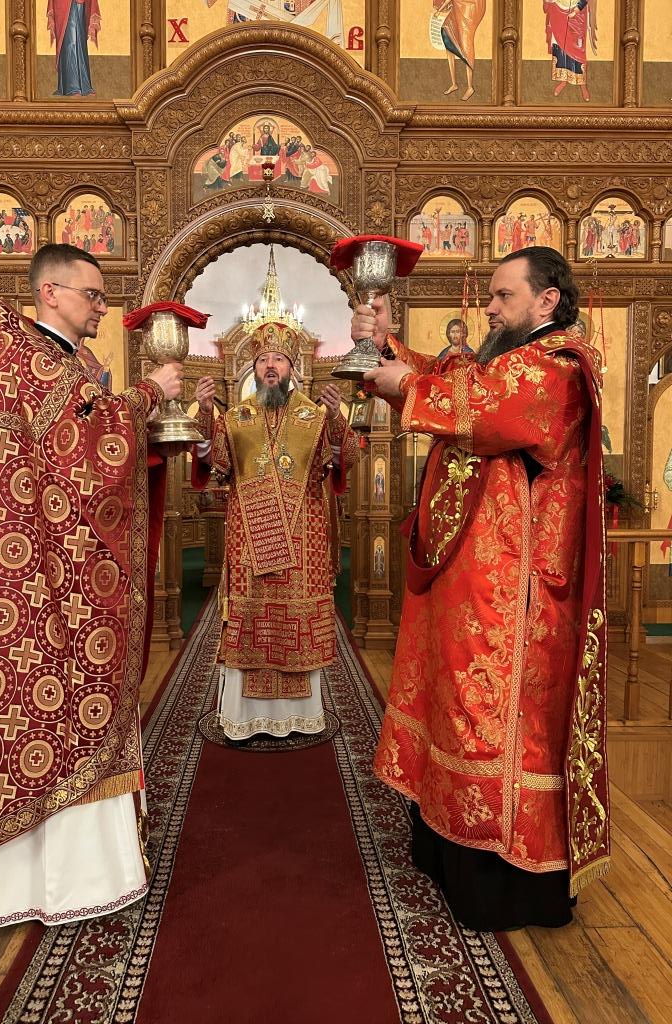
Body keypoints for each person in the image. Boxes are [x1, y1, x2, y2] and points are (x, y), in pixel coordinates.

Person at [0, 243, 185, 929]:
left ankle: (67, 879)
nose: (101, 308)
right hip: (52, 578)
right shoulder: (40, 360)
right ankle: (73, 884)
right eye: (92, 295)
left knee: (56, 712)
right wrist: (152, 392)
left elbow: (87, 447)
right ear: (50, 292)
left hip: (57, 564)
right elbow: (91, 449)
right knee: (59, 710)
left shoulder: (57, 360)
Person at [355, 246, 610, 930]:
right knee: (454, 701)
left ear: (547, 299)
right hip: (473, 578)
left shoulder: (557, 367)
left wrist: (405, 386)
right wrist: (387, 345)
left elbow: (490, 410)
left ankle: (502, 878)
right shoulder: (511, 358)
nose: (490, 309)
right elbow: (458, 377)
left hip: (517, 590)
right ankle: (444, 845)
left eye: (503, 296)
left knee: (493, 719)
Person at [192, 321, 359, 742]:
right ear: (253, 367)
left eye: (279, 359)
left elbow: (345, 461)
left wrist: (336, 419)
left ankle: (300, 716)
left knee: (295, 620)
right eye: (263, 359)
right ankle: (244, 718)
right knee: (250, 616)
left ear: (292, 368)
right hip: (249, 540)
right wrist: (206, 412)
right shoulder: (236, 417)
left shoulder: (313, 416)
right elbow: (213, 463)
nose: (271, 366)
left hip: (304, 543)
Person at [432, 0, 486, 101]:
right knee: (447, 32)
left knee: (466, 45)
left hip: (468, 8)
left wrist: (439, 10)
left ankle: (470, 87)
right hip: (457, 6)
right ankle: (454, 84)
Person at [544, 0, 597, 102]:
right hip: (557, 10)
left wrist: (577, 9)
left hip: (577, 13)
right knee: (560, 47)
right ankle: (563, 80)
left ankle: (582, 84)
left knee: (578, 49)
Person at [47, 0, 101, 97]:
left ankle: (84, 86)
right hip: (62, 4)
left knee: (79, 41)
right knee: (70, 40)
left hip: (79, 4)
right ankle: (72, 87)